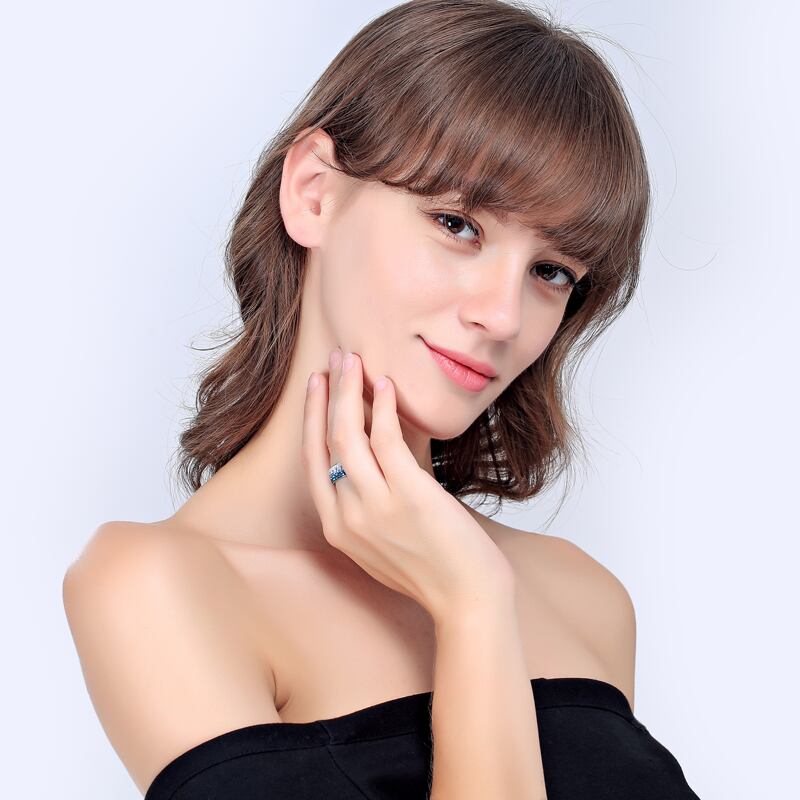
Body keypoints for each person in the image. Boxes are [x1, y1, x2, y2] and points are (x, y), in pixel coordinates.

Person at [63, 0, 701, 797]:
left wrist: (474, 593)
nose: (504, 316)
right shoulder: (158, 587)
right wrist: (471, 609)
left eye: (551, 272)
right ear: (314, 192)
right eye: (458, 225)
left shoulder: (585, 599)